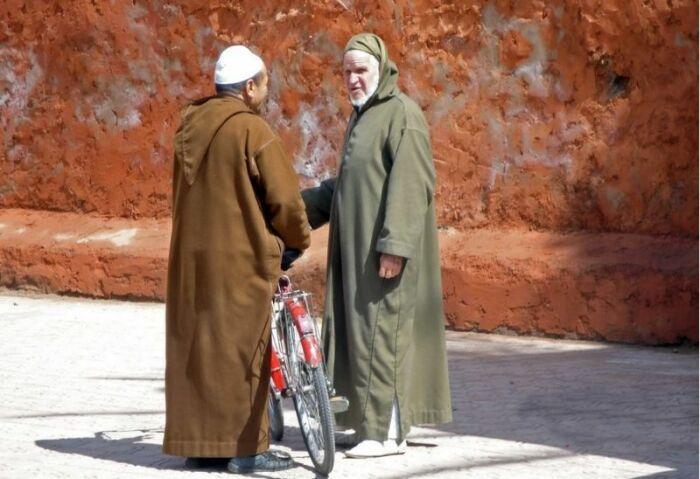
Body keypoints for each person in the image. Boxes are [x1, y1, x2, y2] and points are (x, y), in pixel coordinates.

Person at [302, 33, 452, 458]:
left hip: (383, 253)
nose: (352, 79)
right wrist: (300, 207)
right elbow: (351, 184)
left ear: (381, 69)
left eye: (360, 71)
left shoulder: (401, 114)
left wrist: (396, 246)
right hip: (358, 251)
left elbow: (412, 182)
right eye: (346, 72)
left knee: (381, 333)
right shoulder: (363, 116)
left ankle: (384, 433)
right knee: (365, 333)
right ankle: (369, 422)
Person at [163, 45, 310, 473]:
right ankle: (248, 450)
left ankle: (202, 445)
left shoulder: (188, 128)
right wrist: (297, 238)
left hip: (192, 263)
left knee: (200, 347)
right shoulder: (250, 130)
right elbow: (285, 201)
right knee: (244, 351)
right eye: (264, 84)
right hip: (242, 260)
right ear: (249, 87)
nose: (266, 92)